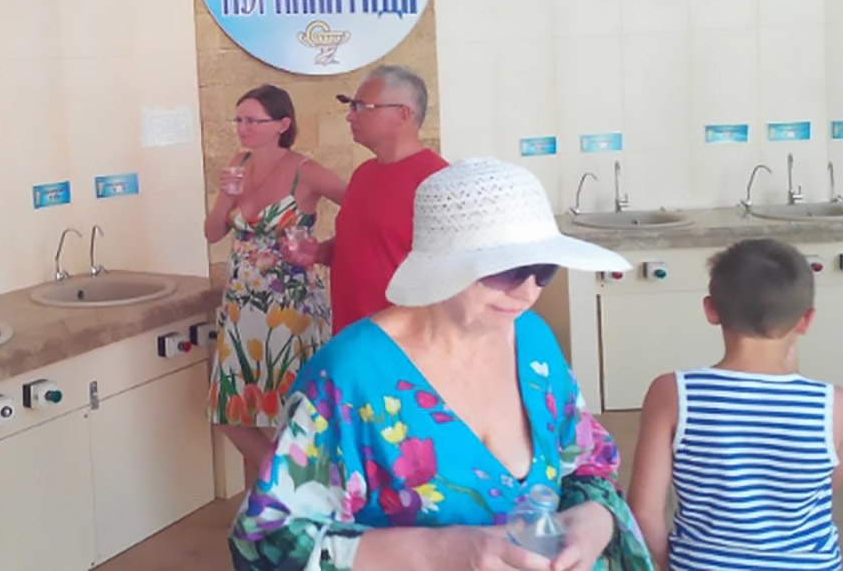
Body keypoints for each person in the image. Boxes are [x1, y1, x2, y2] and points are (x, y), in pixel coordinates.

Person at [231, 157, 655, 571]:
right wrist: (442, 552)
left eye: (544, 270)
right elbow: (266, 542)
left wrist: (593, 521)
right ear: (444, 266)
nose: (528, 293)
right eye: (508, 270)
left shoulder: (533, 341)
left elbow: (587, 463)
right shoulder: (349, 378)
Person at [627, 238, 843, 570]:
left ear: (711, 310)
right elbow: (827, 483)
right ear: (806, 320)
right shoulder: (836, 406)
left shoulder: (673, 394)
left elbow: (643, 511)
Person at [205, 84, 347, 488]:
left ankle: (285, 492)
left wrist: (324, 249)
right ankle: (285, 484)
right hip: (241, 302)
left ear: (282, 124)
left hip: (292, 305)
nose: (243, 128)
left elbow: (362, 207)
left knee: (294, 408)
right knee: (231, 412)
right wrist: (225, 197)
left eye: (253, 120)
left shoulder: (307, 170)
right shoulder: (239, 162)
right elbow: (212, 233)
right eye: (239, 119)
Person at [318, 64, 449, 332]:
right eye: (351, 106)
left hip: (403, 342)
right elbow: (365, 246)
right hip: (351, 335)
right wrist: (319, 252)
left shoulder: (438, 182)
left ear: (403, 113)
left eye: (361, 107)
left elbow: (451, 276)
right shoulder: (363, 174)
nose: (350, 117)